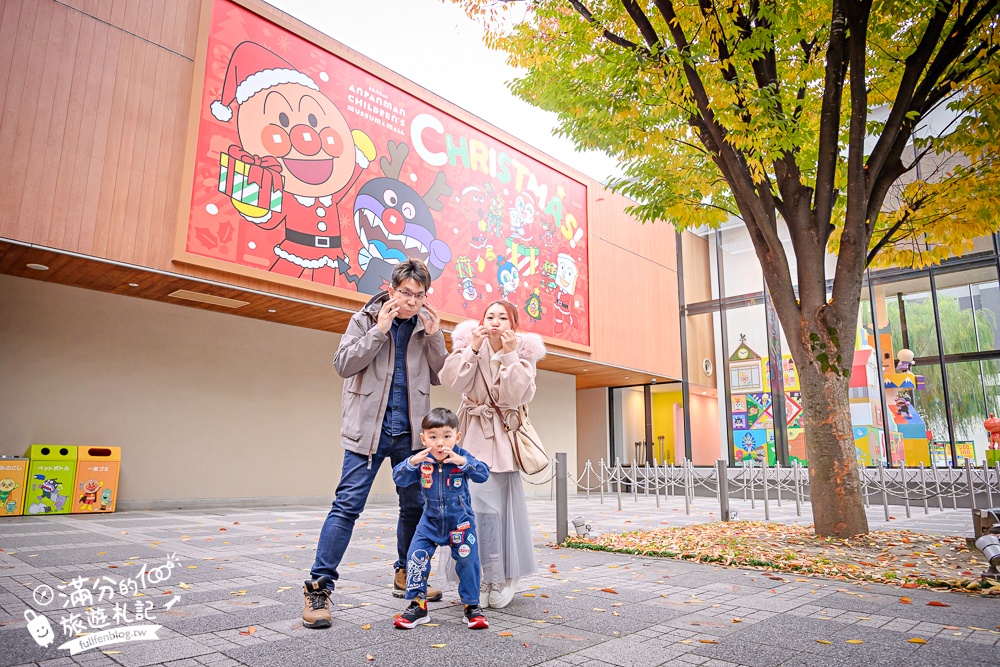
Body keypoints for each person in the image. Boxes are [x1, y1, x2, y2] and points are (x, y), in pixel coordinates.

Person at [302, 259, 447, 629]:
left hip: (411, 436)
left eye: (419, 295)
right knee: (347, 505)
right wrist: (379, 332)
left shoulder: (426, 326)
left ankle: (406, 574)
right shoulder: (365, 319)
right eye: (405, 293)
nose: (411, 301)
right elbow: (343, 364)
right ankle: (319, 588)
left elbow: (441, 374)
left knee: (414, 506)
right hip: (367, 432)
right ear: (392, 289)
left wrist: (434, 337)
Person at [440, 300, 545, 608]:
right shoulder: (468, 344)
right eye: (490, 316)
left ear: (513, 324)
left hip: (502, 438)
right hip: (471, 435)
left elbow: (516, 395)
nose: (495, 321)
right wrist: (472, 348)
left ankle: (499, 576)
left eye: (503, 317)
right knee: (471, 509)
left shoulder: (524, 353)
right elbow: (451, 381)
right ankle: (474, 574)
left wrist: (510, 354)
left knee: (498, 512)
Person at [391, 408, 491, 630]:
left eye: (446, 436)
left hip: (460, 523)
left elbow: (483, 474)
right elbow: (398, 477)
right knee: (415, 557)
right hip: (429, 522)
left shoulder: (461, 458)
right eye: (433, 436)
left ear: (457, 437)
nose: (440, 443)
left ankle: (472, 607)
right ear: (423, 438)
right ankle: (418, 605)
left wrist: (463, 462)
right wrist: (411, 463)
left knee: (468, 561)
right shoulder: (421, 460)